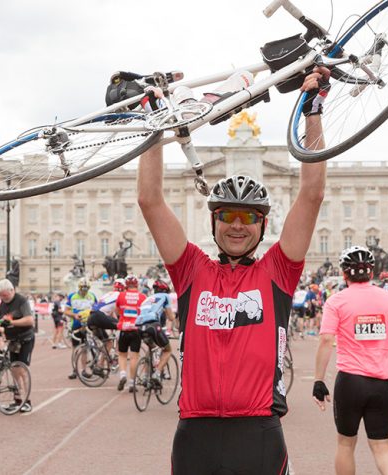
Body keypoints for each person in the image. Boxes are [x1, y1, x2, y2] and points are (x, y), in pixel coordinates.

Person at [137, 67, 329, 474]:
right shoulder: (191, 269)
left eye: (247, 216)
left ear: (261, 225)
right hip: (195, 433)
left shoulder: (277, 270)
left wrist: (313, 109)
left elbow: (311, 195)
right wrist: (152, 123)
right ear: (214, 221)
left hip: (258, 432)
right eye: (227, 215)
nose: (237, 225)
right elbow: (150, 201)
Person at [313, 246, 388, 475]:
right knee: (382, 446)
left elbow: (326, 340)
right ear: (372, 271)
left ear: (344, 274)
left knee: (346, 444)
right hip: (381, 383)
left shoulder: (336, 301)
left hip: (350, 381)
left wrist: (318, 380)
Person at [0, 279, 35, 413]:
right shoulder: (3, 303)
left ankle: (27, 401)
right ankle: (18, 398)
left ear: (12, 290)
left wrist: (12, 322)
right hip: (12, 340)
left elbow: (29, 320)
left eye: (6, 295)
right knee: (13, 369)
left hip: (25, 338)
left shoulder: (21, 301)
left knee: (22, 369)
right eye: (1, 296)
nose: (4, 298)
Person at [135, 279, 176, 384]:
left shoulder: (147, 299)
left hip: (139, 326)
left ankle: (144, 377)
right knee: (167, 350)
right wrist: (175, 316)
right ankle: (157, 374)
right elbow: (171, 317)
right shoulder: (166, 296)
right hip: (152, 325)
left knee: (151, 349)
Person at [114, 274, 146, 392]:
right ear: (137, 284)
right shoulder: (142, 297)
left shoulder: (121, 295)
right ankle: (132, 383)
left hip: (123, 328)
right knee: (134, 357)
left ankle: (122, 374)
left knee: (122, 355)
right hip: (136, 329)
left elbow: (117, 310)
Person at [65, 278, 98, 379]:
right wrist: (74, 315)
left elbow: (96, 309)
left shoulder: (92, 296)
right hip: (75, 324)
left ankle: (83, 370)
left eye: (86, 289)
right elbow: (66, 311)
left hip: (88, 324)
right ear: (79, 288)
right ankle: (74, 370)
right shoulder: (72, 296)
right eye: (83, 289)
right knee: (75, 349)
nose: (84, 291)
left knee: (85, 348)